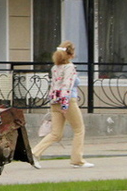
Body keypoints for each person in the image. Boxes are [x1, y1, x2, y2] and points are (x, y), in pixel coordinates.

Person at [32, 40, 93, 168]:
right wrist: (65, 105)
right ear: (71, 54)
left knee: (55, 133)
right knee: (79, 130)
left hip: (54, 102)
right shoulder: (70, 67)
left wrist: (56, 102)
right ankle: (77, 160)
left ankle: (34, 153)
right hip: (68, 101)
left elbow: (54, 86)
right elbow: (67, 86)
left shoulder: (55, 68)